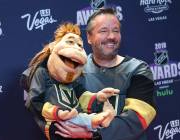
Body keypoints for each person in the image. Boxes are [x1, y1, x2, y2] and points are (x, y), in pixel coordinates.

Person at [54, 8, 157, 140]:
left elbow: (137, 119)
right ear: (89, 38)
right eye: (103, 31)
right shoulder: (74, 69)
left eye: (116, 31)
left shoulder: (139, 70)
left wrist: (94, 135)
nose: (111, 36)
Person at [20, 22, 119, 140]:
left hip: (77, 120)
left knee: (81, 120)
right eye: (70, 42)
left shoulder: (73, 81)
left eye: (80, 45)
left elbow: (82, 96)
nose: (76, 48)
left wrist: (98, 97)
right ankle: (95, 121)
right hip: (56, 124)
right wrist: (57, 113)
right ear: (52, 46)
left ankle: (94, 121)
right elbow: (35, 101)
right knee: (68, 123)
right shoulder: (42, 73)